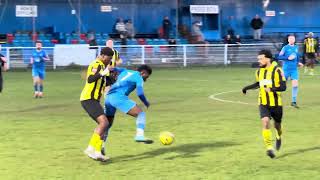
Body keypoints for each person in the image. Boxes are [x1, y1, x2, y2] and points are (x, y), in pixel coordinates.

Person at [242, 49, 287, 159]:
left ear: (268, 58)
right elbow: (258, 84)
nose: (259, 61)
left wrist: (271, 89)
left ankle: (278, 136)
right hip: (263, 102)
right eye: (258, 59)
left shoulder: (277, 70)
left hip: (276, 104)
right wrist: (246, 88)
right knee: (265, 122)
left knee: (277, 125)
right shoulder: (258, 72)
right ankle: (269, 148)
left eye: (261, 59)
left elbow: (283, 87)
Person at [102, 65, 153, 156]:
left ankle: (101, 145)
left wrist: (108, 69)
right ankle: (139, 135)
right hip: (118, 98)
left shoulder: (126, 71)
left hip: (108, 98)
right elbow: (140, 93)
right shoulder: (139, 77)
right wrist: (146, 102)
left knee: (107, 124)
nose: (146, 79)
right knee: (141, 114)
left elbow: (114, 68)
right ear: (143, 73)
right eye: (147, 76)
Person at [80, 47, 114, 161]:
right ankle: (90, 148)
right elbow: (90, 79)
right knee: (104, 123)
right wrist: (102, 73)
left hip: (93, 100)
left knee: (103, 125)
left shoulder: (103, 66)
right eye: (109, 59)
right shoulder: (96, 64)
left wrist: (112, 78)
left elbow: (105, 82)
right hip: (88, 98)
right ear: (103, 56)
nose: (109, 61)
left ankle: (98, 152)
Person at [278, 35, 303, 108]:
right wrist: (287, 58)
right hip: (286, 69)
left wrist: (299, 62)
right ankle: (276, 98)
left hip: (294, 70)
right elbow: (279, 57)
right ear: (288, 40)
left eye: (293, 39)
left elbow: (297, 56)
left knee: (295, 85)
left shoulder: (296, 47)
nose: (292, 40)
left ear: (294, 40)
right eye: (291, 39)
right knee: (282, 86)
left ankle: (293, 102)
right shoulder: (285, 48)